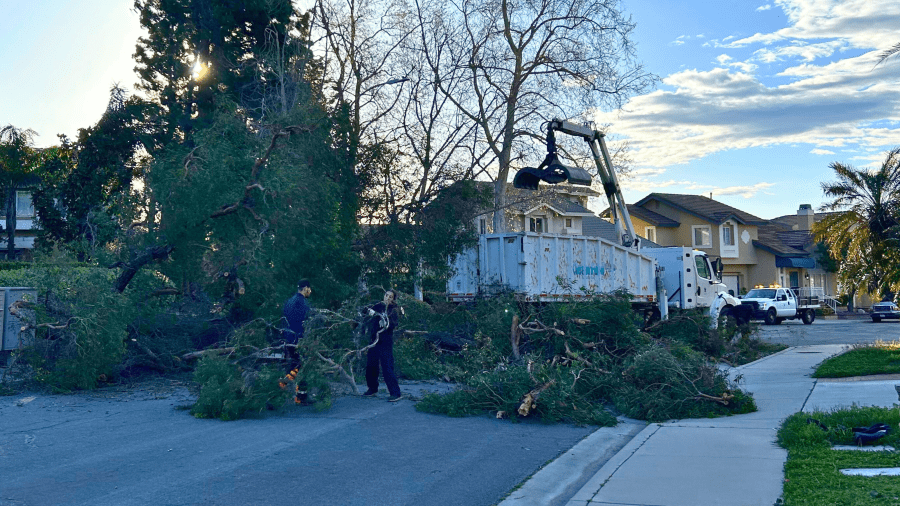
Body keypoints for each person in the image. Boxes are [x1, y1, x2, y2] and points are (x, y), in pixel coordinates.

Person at [362, 289, 403, 401]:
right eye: (386, 295)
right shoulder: (378, 306)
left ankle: (395, 393)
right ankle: (372, 388)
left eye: (390, 297)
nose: (387, 298)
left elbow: (394, 323)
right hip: (374, 338)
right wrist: (370, 312)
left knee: (387, 366)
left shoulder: (393, 310)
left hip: (385, 340)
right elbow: (365, 310)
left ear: (393, 299)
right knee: (371, 364)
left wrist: (386, 323)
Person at [281, 279, 312, 404]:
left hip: (288, 339)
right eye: (309, 289)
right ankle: (301, 396)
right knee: (303, 367)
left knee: (294, 365)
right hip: (298, 339)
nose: (310, 292)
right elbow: (305, 322)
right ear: (305, 288)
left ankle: (282, 390)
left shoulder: (289, 301)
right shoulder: (303, 303)